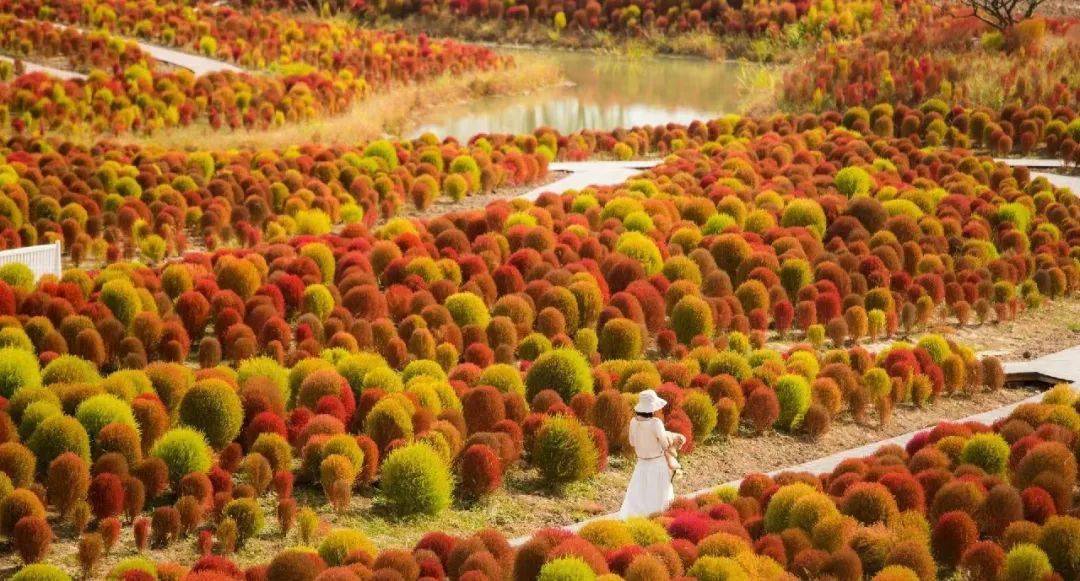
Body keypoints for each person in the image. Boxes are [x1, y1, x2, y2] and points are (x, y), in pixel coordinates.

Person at [618, 389, 687, 519]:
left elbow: (632, 442)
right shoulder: (656, 423)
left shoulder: (633, 422)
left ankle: (637, 521)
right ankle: (657, 519)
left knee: (639, 496)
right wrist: (670, 437)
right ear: (651, 408)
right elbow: (665, 444)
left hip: (641, 464)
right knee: (660, 495)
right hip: (657, 463)